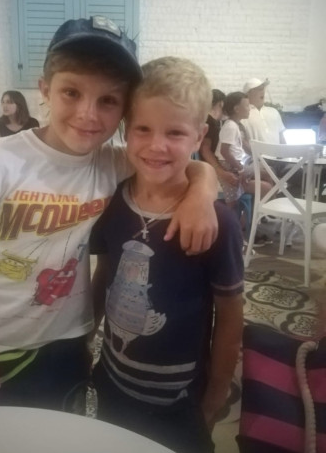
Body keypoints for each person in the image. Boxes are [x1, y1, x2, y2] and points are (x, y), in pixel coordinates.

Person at [0, 16, 218, 411]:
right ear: (45, 90)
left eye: (108, 101)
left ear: (124, 110)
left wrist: (202, 192)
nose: (88, 114)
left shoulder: (112, 162)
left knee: (61, 434)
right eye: (71, 93)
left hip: (69, 344)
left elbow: (189, 165)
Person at [90, 56, 244, 453]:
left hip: (181, 401)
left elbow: (230, 315)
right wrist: (85, 337)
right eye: (142, 129)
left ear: (199, 136)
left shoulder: (218, 223)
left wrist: (215, 395)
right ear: (126, 129)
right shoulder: (112, 200)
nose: (156, 146)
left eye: (175, 132)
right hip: (112, 383)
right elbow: (104, 275)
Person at [215, 92, 271, 209]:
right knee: (233, 201)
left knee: (266, 172)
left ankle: (260, 213)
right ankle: (238, 215)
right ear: (237, 109)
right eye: (246, 105)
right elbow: (224, 151)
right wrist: (240, 169)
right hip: (229, 166)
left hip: (234, 164)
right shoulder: (230, 126)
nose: (249, 108)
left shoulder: (235, 125)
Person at [199, 88, 240, 192]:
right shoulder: (210, 122)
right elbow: (205, 150)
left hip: (213, 166)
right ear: (221, 104)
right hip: (212, 169)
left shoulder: (209, 120)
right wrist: (221, 172)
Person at [240, 78, 286, 144]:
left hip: (277, 151)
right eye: (259, 89)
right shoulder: (242, 115)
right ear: (248, 93)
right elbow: (241, 141)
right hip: (254, 151)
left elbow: (281, 137)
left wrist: (286, 150)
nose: (262, 91)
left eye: (263, 88)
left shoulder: (274, 112)